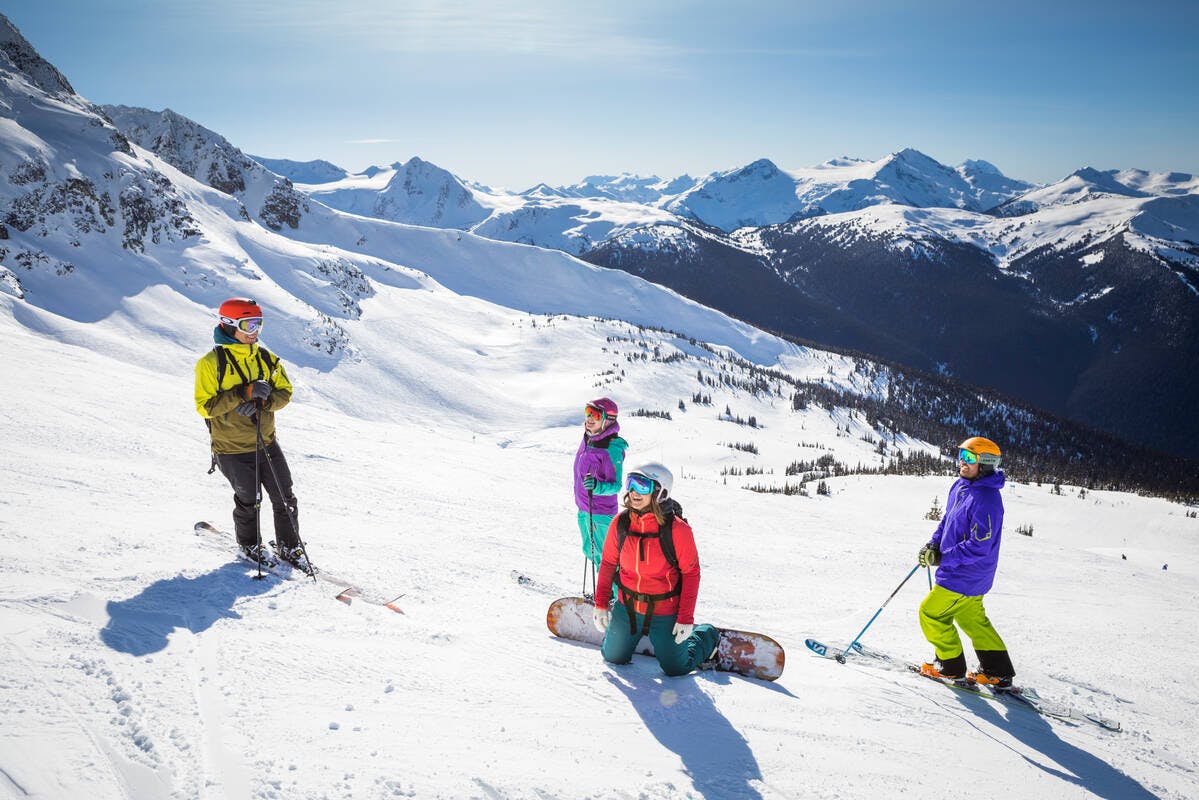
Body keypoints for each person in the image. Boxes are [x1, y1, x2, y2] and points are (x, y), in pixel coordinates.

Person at [194, 298, 304, 567]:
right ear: (229, 325)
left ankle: (290, 547)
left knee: (285, 497)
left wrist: (263, 401)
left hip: (266, 442)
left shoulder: (266, 359)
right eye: (248, 325)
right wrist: (242, 393)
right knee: (249, 499)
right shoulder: (211, 364)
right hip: (231, 448)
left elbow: (285, 392)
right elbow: (205, 406)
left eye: (258, 324)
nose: (254, 331)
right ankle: (250, 545)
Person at [592, 463, 720, 676]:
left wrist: (685, 618)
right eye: (631, 483)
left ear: (661, 492)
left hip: (664, 611)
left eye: (643, 486)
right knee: (612, 656)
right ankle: (626, 636)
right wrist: (601, 603)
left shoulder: (678, 530)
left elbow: (691, 574)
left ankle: (708, 635)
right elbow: (607, 564)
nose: (634, 492)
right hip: (628, 607)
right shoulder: (620, 523)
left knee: (676, 668)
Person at [917, 436, 1015, 686]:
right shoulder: (961, 486)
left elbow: (979, 545)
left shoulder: (987, 499)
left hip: (965, 575)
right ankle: (997, 671)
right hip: (964, 573)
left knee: (930, 613)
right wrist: (934, 544)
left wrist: (944, 557)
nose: (962, 461)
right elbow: (948, 520)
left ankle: (950, 667)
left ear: (986, 463)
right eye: (961, 455)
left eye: (969, 457)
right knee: (971, 619)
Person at [572, 398, 627, 572]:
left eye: (595, 414)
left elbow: (616, 486)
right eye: (588, 412)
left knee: (607, 561)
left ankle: (614, 589)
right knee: (591, 552)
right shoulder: (589, 438)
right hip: (584, 509)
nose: (589, 418)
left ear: (608, 420)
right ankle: (603, 588)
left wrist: (597, 486)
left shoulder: (612, 448)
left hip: (601, 514)